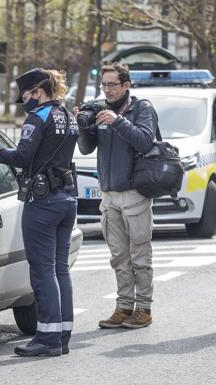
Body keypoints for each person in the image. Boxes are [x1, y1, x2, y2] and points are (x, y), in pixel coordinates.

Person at [0, 68, 79, 357]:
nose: (24, 100)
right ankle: (62, 335)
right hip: (67, 198)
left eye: (25, 95)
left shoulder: (37, 117)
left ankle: (47, 338)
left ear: (37, 91)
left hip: (43, 202)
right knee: (60, 269)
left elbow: (23, 156)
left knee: (42, 271)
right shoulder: (68, 116)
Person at [75, 62, 157, 329]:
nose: (107, 90)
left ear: (126, 85)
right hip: (108, 194)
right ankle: (124, 307)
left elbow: (145, 141)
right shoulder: (100, 110)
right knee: (118, 256)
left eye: (112, 85)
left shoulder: (141, 109)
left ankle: (143, 308)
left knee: (139, 255)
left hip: (135, 193)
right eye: (104, 85)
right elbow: (87, 149)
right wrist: (83, 127)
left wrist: (118, 121)